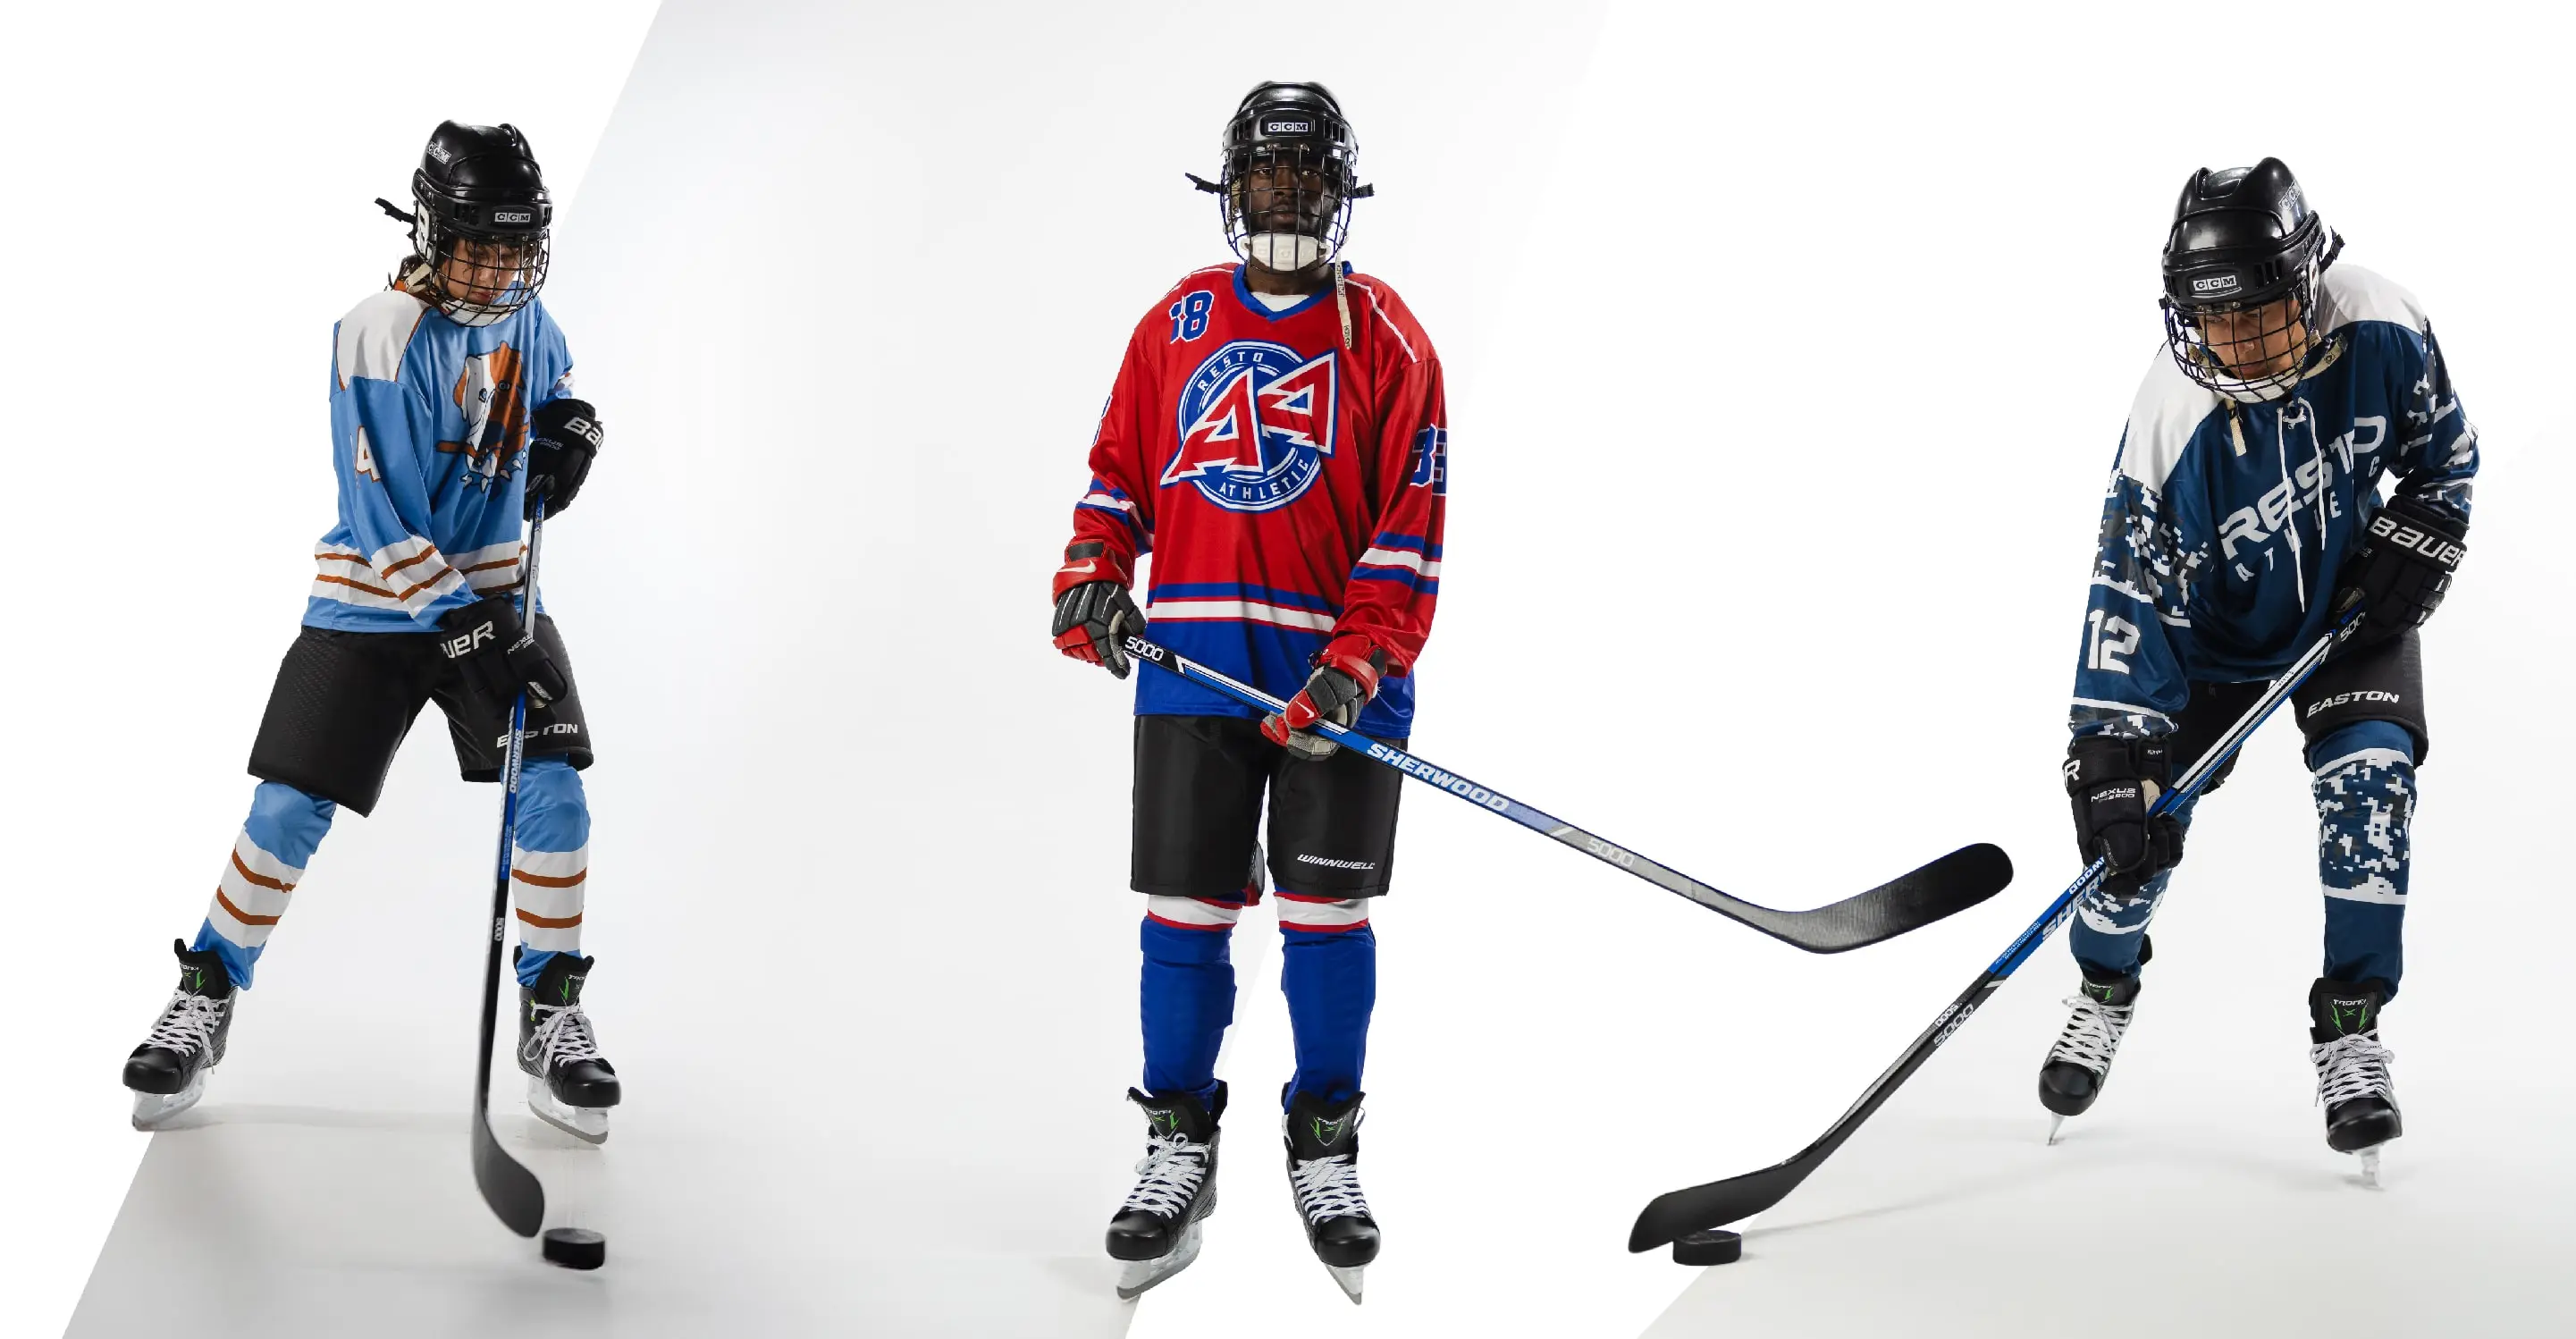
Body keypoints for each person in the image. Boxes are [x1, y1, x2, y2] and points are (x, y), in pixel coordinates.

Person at [120, 122, 619, 1144]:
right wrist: (475, 636)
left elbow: (560, 391)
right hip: (376, 600)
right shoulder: (376, 334)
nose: (498, 267)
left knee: (554, 790)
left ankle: (551, 1008)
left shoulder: (531, 321)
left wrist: (574, 431)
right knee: (291, 803)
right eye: (478, 244)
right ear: (433, 232)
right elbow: (383, 520)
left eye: (515, 246)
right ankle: (206, 992)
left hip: (493, 594)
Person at [1050, 81, 1447, 1303]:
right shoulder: (1172, 327)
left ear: (1340, 191)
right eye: (1266, 176)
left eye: (1305, 177)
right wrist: (1091, 576)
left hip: (1338, 686)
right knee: (1184, 910)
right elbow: (1120, 476)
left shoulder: (1387, 338)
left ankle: (1324, 1140)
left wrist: (1356, 662)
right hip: (1195, 670)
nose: (1285, 196)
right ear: (1232, 189)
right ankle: (1179, 1139)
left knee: (1325, 925)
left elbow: (1407, 527)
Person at [2042, 158, 2475, 1182]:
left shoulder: (2382, 324)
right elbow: (2124, 596)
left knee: (2372, 786)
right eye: (2211, 319)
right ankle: (2102, 987)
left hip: (2346, 616)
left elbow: (2442, 456)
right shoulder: (2167, 416)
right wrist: (2108, 751)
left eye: (2256, 313)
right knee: (2128, 852)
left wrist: (2419, 533)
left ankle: (2349, 1030)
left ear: (2308, 280)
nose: (2232, 342)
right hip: (2206, 651)